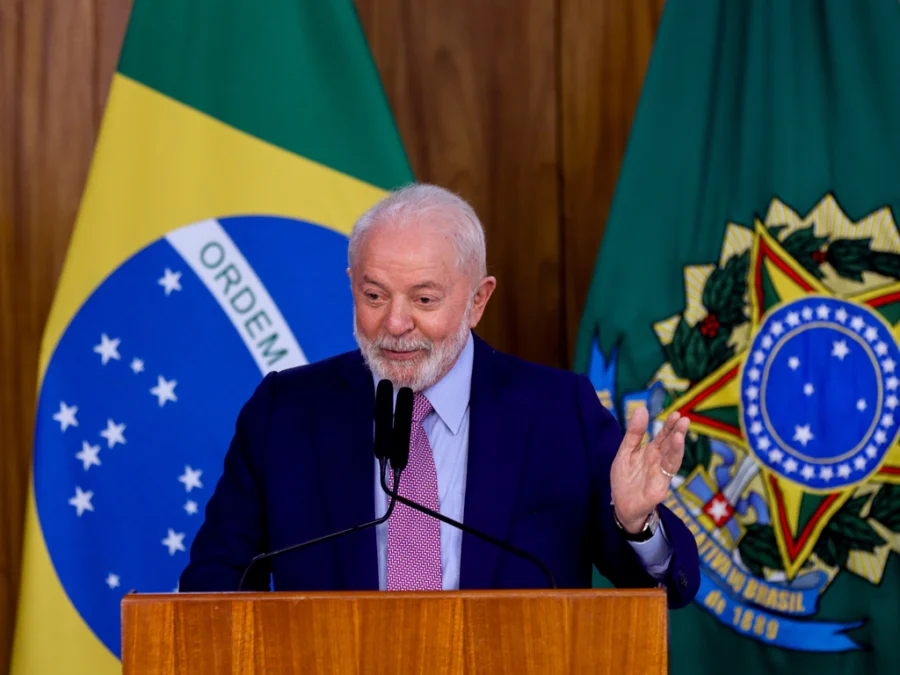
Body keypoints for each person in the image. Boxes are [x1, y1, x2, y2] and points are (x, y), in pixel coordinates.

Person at [179, 184, 700, 607]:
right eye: (374, 295)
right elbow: (213, 589)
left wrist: (635, 523)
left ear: (478, 300)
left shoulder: (559, 413)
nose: (395, 323)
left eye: (424, 299)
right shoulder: (285, 413)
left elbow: (665, 587)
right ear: (352, 285)